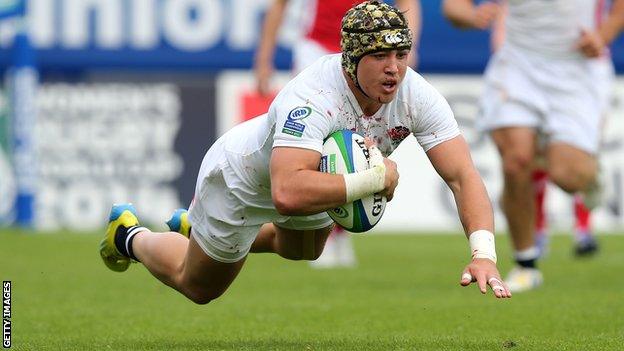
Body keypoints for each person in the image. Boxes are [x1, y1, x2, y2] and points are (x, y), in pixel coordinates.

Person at [100, 1, 511, 304]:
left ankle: (196, 227)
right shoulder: (313, 95)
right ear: (351, 59)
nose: (394, 68)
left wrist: (484, 255)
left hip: (309, 177)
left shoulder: (415, 94)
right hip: (242, 181)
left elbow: (462, 175)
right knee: (197, 285)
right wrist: (375, 177)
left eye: (400, 55)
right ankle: (130, 236)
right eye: (380, 56)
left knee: (304, 249)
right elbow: (287, 193)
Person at [443, 0, 624, 292]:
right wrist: (472, 15)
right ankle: (526, 264)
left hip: (577, 65)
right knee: (515, 161)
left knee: (569, 175)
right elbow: (454, 8)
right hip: (518, 63)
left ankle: (585, 173)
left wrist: (604, 34)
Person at [254, 0, 421, 268]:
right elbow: (279, 6)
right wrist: (263, 60)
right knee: (316, 144)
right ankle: (324, 229)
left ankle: (338, 228)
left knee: (356, 143)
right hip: (317, 50)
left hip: (371, 51)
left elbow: (408, 4)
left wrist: (407, 48)